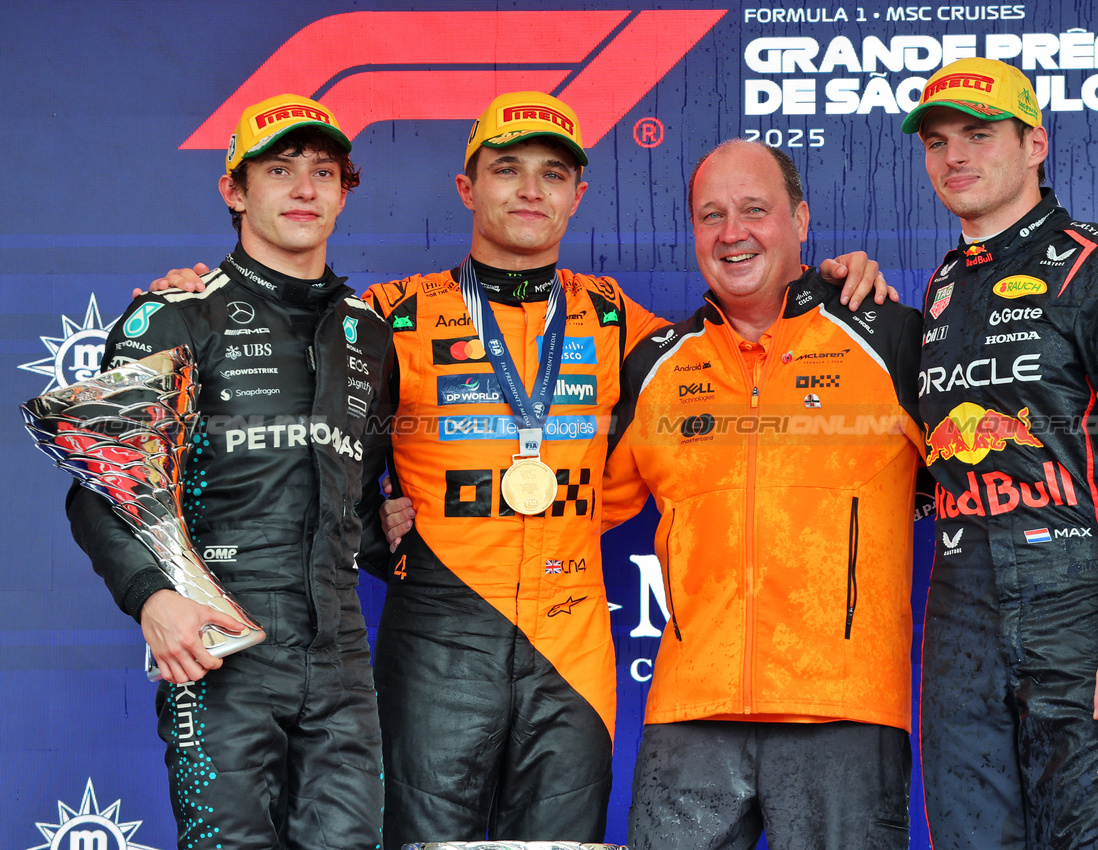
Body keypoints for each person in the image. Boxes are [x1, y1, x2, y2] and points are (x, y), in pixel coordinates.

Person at [156, 91, 890, 845]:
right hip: (436, 641)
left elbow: (748, 334)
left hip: (572, 650)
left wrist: (829, 287)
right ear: (467, 189)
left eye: (552, 172)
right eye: (507, 169)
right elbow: (306, 426)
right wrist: (194, 298)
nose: (531, 190)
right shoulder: (390, 315)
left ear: (578, 195)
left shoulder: (622, 322)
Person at [66, 94, 392, 849]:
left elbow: (358, 502)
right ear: (235, 191)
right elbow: (99, 489)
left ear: (346, 189)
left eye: (323, 172)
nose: (305, 189)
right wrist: (151, 597)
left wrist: (389, 529)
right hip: (220, 644)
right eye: (279, 170)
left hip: (341, 654)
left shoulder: (370, 333)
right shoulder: (173, 317)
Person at [900, 58, 1098, 847]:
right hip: (960, 616)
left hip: (1078, 614)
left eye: (977, 134)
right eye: (936, 142)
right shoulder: (940, 289)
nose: (954, 157)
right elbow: (932, 470)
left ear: (1034, 143)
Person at [602, 139, 924, 849]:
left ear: (800, 220)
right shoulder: (654, 364)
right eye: (710, 215)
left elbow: (982, 486)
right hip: (689, 714)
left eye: (754, 209)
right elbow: (574, 509)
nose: (731, 232)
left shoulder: (892, 338)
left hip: (844, 712)